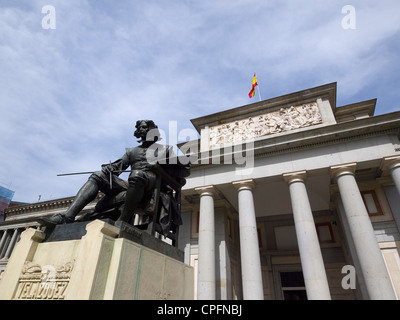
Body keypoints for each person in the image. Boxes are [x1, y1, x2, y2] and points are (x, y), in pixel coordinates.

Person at [47, 120, 183, 226]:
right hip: (131, 184)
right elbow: (119, 166)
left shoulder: (165, 150)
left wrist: (159, 168)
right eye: (140, 128)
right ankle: (67, 216)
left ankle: (122, 221)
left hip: (151, 187)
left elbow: (183, 174)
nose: (141, 130)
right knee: (98, 175)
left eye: (144, 127)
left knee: (137, 175)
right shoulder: (132, 151)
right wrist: (110, 168)